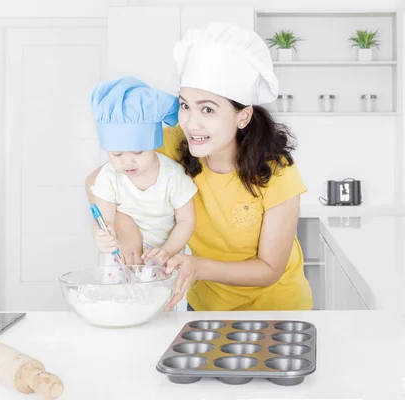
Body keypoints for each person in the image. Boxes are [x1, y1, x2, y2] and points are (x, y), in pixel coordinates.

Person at [85, 22, 313, 311]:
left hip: (277, 312)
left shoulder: (277, 171)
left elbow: (269, 268)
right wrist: (123, 223)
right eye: (185, 105)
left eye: (207, 109)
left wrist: (199, 268)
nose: (191, 124)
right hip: (204, 311)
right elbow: (96, 180)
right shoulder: (174, 146)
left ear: (242, 116)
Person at [89, 77, 197, 273]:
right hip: (120, 260)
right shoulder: (109, 176)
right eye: (117, 154)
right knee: (119, 301)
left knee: (157, 302)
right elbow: (104, 220)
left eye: (138, 152)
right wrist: (102, 236)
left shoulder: (173, 177)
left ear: (154, 144)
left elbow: (186, 221)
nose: (127, 162)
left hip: (160, 259)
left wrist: (167, 251)